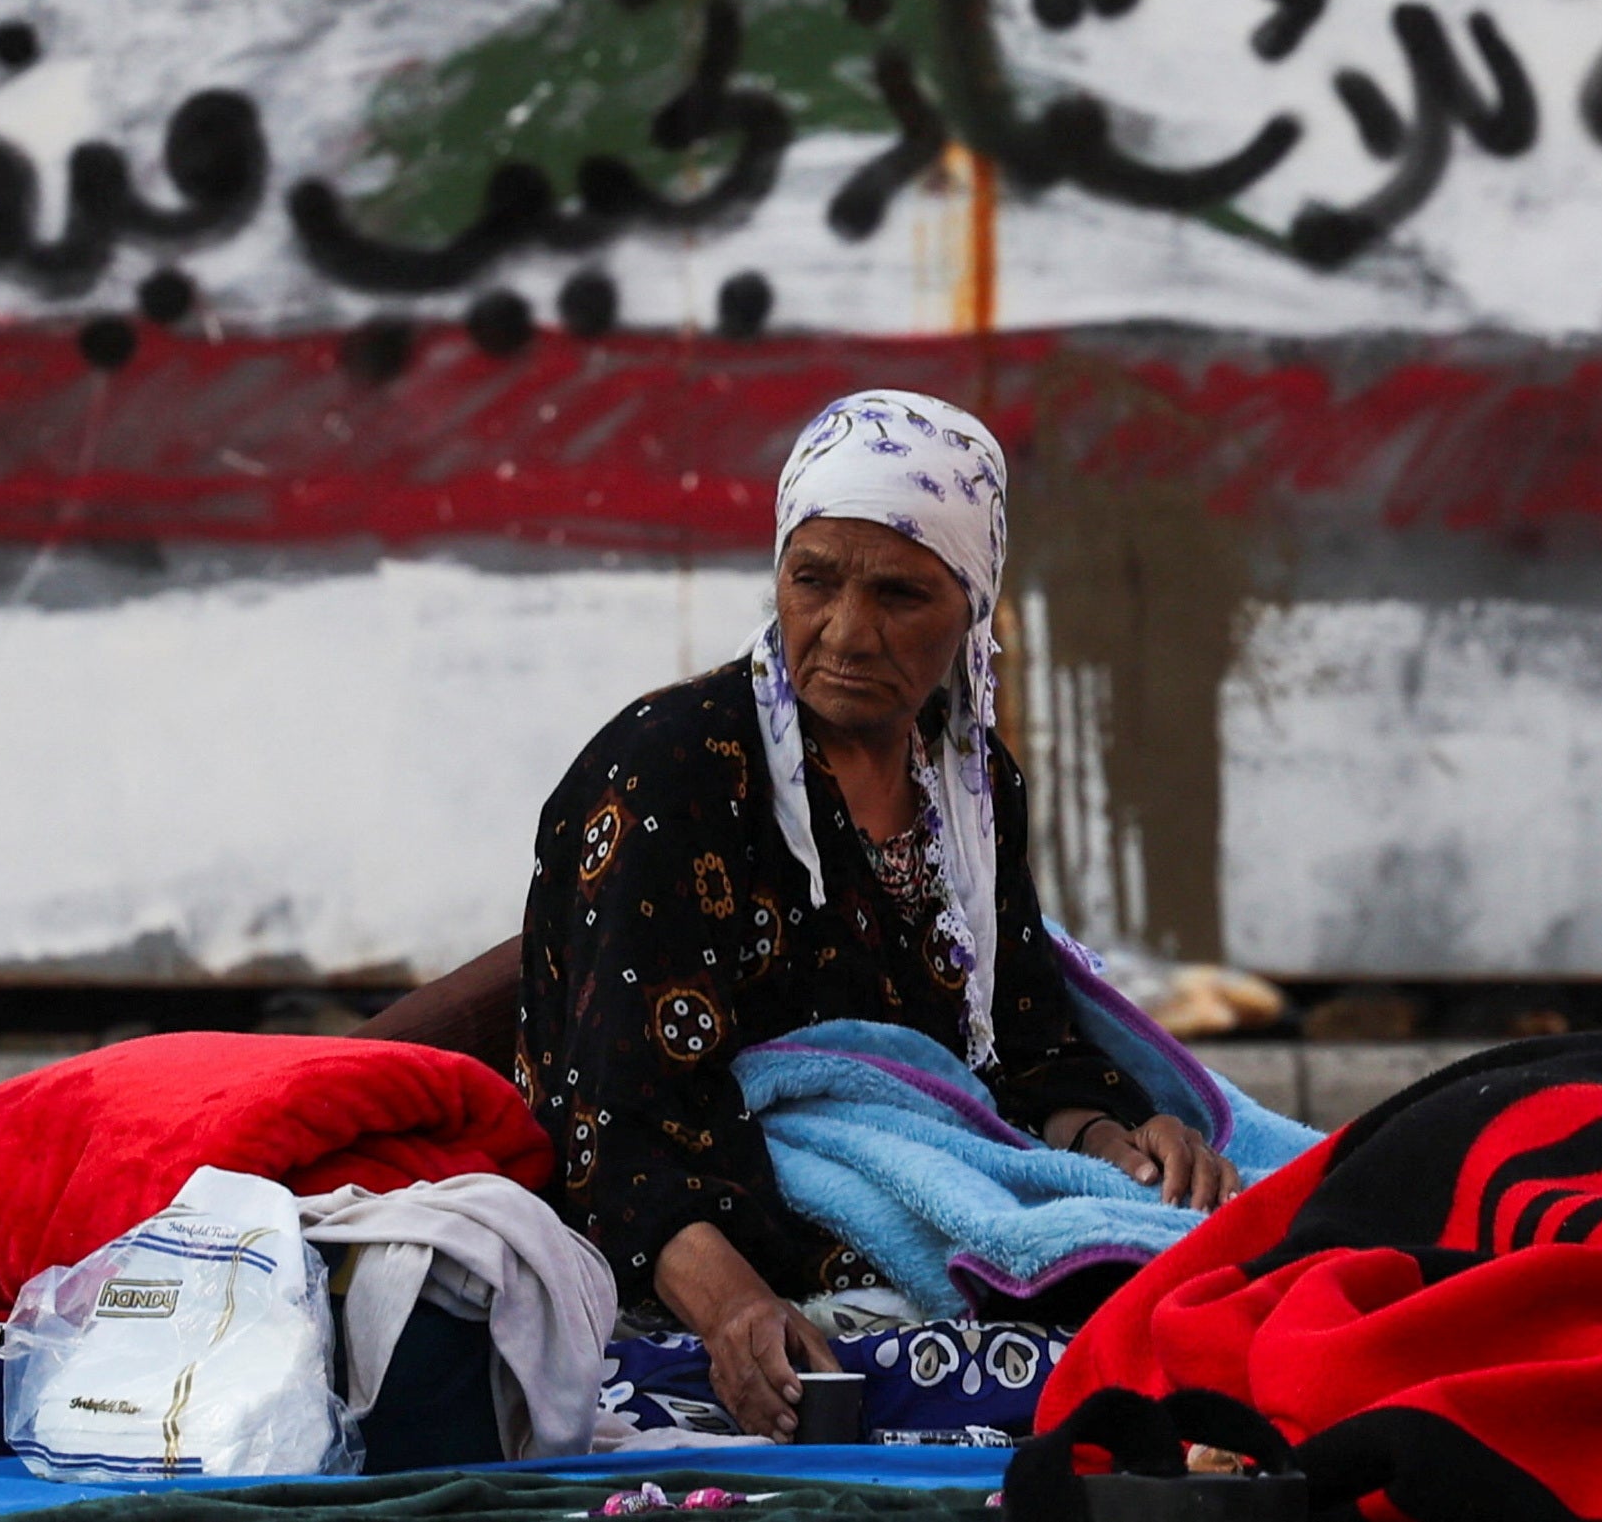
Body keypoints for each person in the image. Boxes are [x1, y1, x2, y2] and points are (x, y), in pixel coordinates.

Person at [516, 386, 1238, 1434]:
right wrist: (734, 1312)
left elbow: (1026, 1042)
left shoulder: (970, 777)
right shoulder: (671, 770)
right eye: (813, 580)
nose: (847, 632)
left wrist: (1124, 1141)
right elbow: (613, 1119)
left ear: (973, 603)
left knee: (1232, 1248)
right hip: (735, 1232)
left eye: (902, 593)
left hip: (928, 1194)